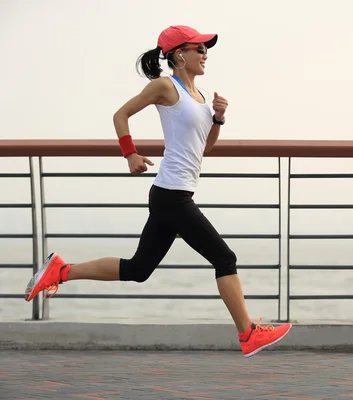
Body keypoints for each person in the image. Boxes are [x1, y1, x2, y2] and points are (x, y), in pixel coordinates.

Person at [24, 25, 292, 357]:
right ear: (180, 54)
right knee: (225, 258)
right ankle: (248, 334)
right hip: (172, 195)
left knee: (138, 269)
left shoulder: (199, 95)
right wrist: (130, 154)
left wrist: (219, 117)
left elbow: (205, 148)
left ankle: (61, 271)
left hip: (175, 193)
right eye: (200, 49)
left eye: (207, 49)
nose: (206, 54)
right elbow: (120, 115)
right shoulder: (165, 86)